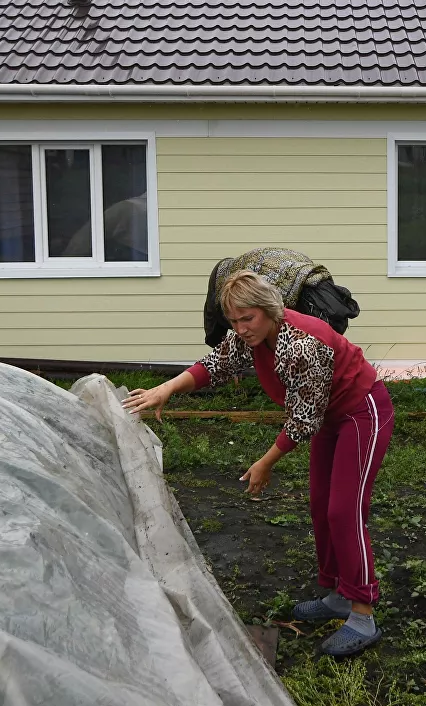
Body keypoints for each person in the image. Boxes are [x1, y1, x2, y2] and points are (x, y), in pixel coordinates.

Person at [126, 271, 392, 657]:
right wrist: (166, 388)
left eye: (247, 318)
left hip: (360, 411)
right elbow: (213, 365)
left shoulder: (301, 344)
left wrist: (265, 463)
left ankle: (363, 613)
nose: (240, 328)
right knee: (321, 505)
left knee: (344, 511)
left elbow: (304, 417)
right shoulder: (247, 338)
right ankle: (338, 594)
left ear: (269, 309)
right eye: (233, 321)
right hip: (328, 417)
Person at [202, 247, 360, 347]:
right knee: (223, 334)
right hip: (224, 276)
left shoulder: (316, 285)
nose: (241, 328)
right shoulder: (275, 290)